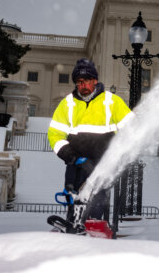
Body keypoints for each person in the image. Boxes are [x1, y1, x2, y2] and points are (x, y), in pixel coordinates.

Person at [47, 58, 133, 222]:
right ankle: (73, 226)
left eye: (86, 81)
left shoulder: (111, 102)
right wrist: (71, 156)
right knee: (73, 198)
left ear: (95, 81)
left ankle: (92, 229)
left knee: (96, 201)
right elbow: (55, 134)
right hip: (76, 164)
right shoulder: (68, 104)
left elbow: (131, 128)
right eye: (79, 82)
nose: (82, 85)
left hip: (101, 164)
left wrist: (118, 151)